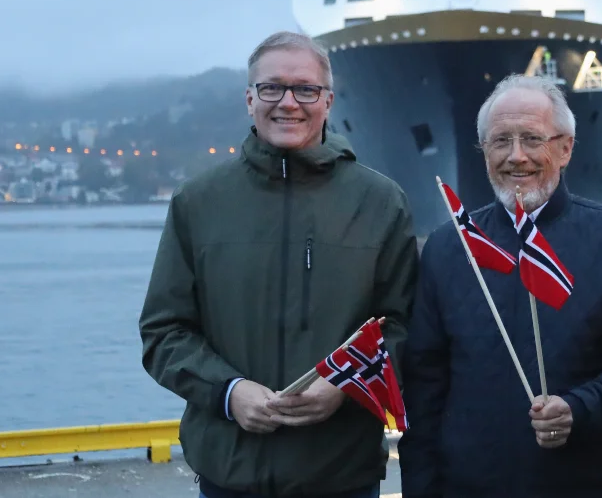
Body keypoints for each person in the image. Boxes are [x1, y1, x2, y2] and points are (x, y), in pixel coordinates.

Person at [139, 31, 417, 498]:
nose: (288, 102)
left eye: (305, 89)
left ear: (328, 101)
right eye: (272, 88)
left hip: (341, 474)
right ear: (249, 99)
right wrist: (229, 393)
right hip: (229, 473)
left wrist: (344, 385)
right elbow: (164, 332)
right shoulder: (198, 202)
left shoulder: (381, 202)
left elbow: (405, 324)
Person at [397, 75, 602, 498]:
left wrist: (578, 408)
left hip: (582, 486)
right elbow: (424, 385)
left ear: (565, 148)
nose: (517, 157)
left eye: (533, 139)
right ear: (483, 153)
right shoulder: (449, 246)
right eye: (501, 141)